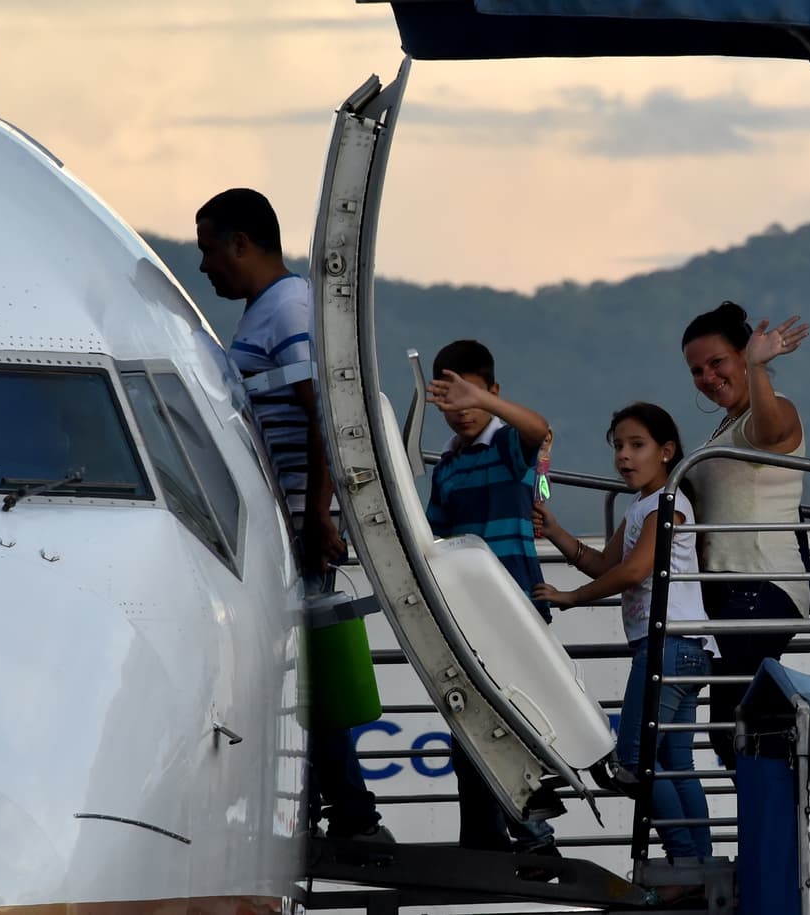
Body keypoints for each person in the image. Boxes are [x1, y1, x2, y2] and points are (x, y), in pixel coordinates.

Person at [195, 187, 391, 842]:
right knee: (296, 666)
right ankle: (332, 809)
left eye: (208, 250)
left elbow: (325, 414)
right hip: (282, 518)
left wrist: (320, 514)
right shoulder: (262, 313)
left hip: (302, 518)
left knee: (307, 666)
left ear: (240, 243)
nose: (204, 267)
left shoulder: (289, 308)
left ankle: (355, 817)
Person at [533, 403, 717, 908]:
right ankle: (698, 866)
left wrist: (568, 599)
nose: (624, 456)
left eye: (636, 445)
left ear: (666, 451)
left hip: (668, 645)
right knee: (675, 762)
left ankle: (683, 864)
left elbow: (633, 572)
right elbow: (603, 563)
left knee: (635, 761)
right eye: (618, 445)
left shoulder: (664, 505)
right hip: (685, 647)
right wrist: (556, 531)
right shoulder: (646, 506)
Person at [424, 339, 559, 861]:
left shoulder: (505, 447)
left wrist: (488, 405)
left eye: (469, 398)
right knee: (467, 728)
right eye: (448, 401)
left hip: (515, 608)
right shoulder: (449, 467)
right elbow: (432, 535)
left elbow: (537, 429)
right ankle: (484, 835)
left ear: (494, 394)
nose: (459, 411)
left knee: (511, 723)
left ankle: (535, 837)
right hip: (467, 614)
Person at [681, 301, 810, 770]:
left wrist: (759, 367)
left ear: (743, 354)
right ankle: (771, 834)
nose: (708, 376)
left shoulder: (771, 414)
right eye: (696, 370)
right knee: (735, 731)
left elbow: (769, 428)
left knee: (737, 730)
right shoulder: (725, 426)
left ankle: (777, 836)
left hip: (759, 583)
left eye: (718, 362)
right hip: (730, 589)